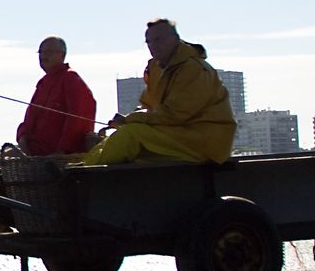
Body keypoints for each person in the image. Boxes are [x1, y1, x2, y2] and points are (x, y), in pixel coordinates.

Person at [75, 19, 234, 165]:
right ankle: (82, 168)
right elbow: (148, 106)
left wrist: (131, 119)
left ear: (175, 39)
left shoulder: (194, 69)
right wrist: (129, 120)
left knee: (131, 134)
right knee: (124, 135)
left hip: (203, 142)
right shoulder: (157, 69)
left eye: (159, 40)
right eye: (149, 42)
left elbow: (176, 114)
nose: (153, 46)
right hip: (177, 135)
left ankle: (82, 176)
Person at [13, 36, 98, 157]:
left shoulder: (70, 79)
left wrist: (63, 151)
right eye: (41, 52)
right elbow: (29, 118)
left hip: (55, 154)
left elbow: (79, 118)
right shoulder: (43, 83)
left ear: (62, 55)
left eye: (48, 52)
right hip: (33, 150)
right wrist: (22, 137)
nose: (43, 56)